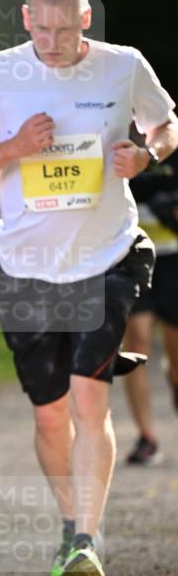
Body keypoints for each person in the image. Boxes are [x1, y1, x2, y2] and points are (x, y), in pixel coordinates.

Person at [0, 0, 177, 576]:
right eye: (39, 27)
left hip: (105, 256)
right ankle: (70, 522)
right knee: (50, 416)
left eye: (62, 28)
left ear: (84, 21)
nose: (51, 40)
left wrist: (146, 153)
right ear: (25, 20)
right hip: (22, 266)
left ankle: (86, 538)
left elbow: (166, 125)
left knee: (88, 394)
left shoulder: (122, 65)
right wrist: (14, 147)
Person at [122, 154, 178, 465]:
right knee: (137, 341)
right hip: (131, 257)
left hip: (172, 257)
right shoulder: (111, 131)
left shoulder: (171, 135)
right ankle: (147, 436)